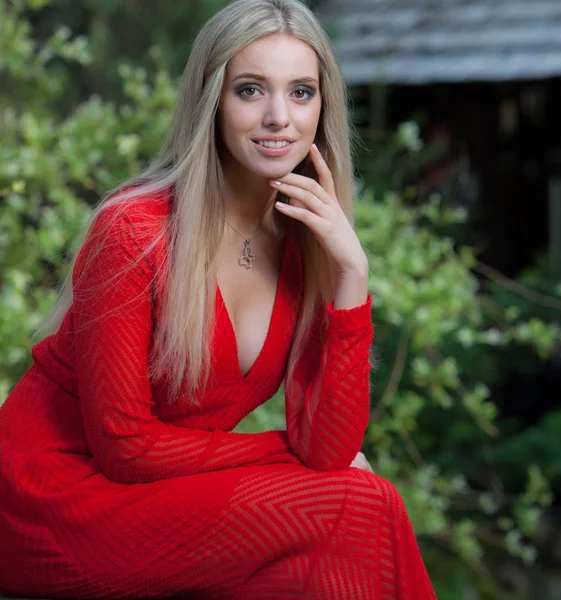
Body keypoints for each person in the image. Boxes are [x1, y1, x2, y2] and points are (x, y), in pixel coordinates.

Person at [0, 0, 437, 598]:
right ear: (212, 102)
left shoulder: (305, 244)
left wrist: (350, 275)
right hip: (52, 498)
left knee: (320, 566)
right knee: (362, 503)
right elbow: (125, 447)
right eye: (251, 90)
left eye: (302, 92)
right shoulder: (134, 231)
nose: (278, 116)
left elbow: (329, 448)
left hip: (158, 502)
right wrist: (278, 451)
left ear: (322, 109)